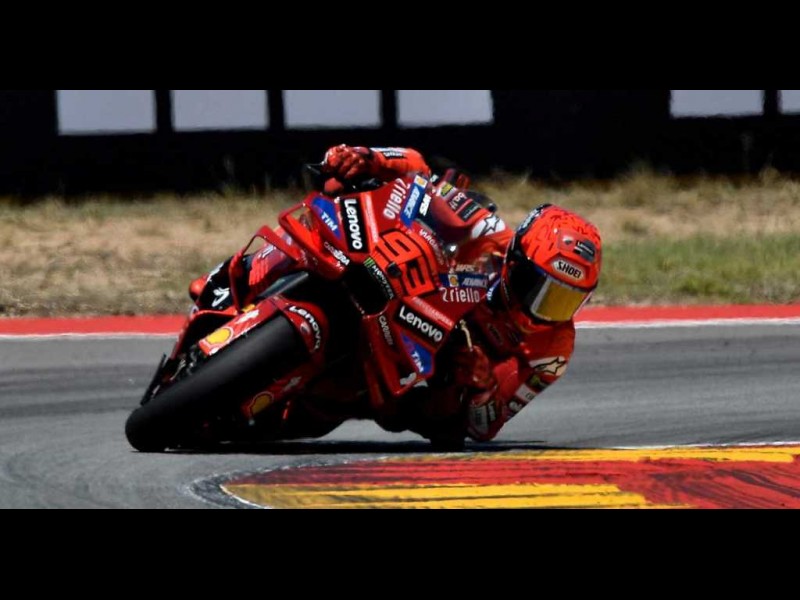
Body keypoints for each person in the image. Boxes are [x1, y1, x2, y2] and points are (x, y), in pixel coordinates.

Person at [321, 144, 603, 445]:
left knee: (449, 427)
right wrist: (370, 158)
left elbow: (485, 429)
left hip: (429, 368)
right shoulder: (490, 232)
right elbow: (421, 173)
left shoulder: (553, 351)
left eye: (564, 301)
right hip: (403, 291)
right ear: (514, 261)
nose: (542, 311)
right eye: (537, 287)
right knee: (337, 186)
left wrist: (484, 389)